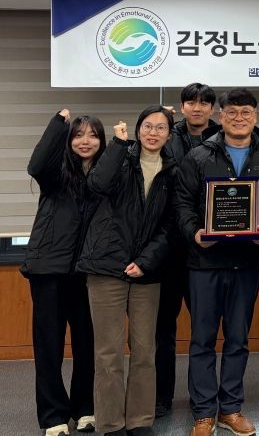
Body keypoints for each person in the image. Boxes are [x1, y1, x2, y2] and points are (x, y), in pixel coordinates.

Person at [176, 88, 259, 436]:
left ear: (255, 116)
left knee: (238, 339)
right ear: (220, 116)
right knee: (202, 340)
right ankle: (203, 413)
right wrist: (194, 232)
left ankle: (231, 409)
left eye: (246, 112)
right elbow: (181, 203)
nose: (240, 118)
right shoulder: (197, 156)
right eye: (232, 112)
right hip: (204, 262)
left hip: (246, 262)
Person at [76, 106, 177, 436]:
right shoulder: (121, 158)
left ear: (169, 135)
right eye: (147, 126)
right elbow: (97, 184)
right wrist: (118, 145)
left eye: (160, 128)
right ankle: (111, 423)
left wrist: (146, 261)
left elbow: (170, 225)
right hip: (106, 267)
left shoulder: (172, 171)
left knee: (145, 350)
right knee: (108, 352)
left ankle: (139, 420)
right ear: (137, 129)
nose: (153, 133)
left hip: (147, 272)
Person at [21, 110, 105, 436]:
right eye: (78, 135)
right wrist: (58, 124)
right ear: (69, 141)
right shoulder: (54, 173)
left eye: (93, 135)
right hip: (48, 271)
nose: (86, 141)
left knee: (87, 345)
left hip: (87, 272)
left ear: (101, 141)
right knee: (49, 347)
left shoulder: (105, 176)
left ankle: (85, 408)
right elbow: (36, 164)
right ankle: (53, 416)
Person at [155, 83, 218, 419]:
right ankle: (160, 397)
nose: (197, 107)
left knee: (203, 330)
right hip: (168, 248)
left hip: (207, 250)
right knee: (162, 329)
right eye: (191, 102)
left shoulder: (224, 138)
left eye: (204, 102)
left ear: (212, 108)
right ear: (181, 107)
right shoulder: (167, 135)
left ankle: (201, 397)